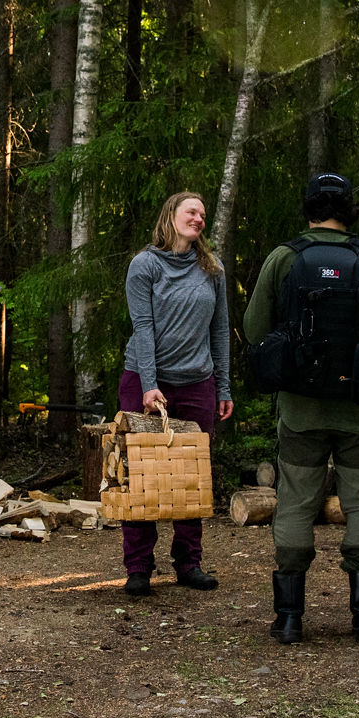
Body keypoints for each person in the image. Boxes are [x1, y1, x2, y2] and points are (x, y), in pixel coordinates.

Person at [243, 173, 359, 644]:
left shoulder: (284, 258)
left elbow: (255, 327)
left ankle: (290, 618)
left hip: (301, 408)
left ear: (308, 207)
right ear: (349, 209)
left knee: (294, 502)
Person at [117, 191, 234, 597]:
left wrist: (224, 385)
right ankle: (138, 568)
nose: (199, 219)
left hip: (197, 382)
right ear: (171, 215)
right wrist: (150, 385)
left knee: (191, 475)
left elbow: (220, 331)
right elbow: (143, 327)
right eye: (192, 211)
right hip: (144, 379)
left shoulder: (211, 268)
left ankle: (189, 563)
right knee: (141, 474)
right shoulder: (144, 265)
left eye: (203, 214)